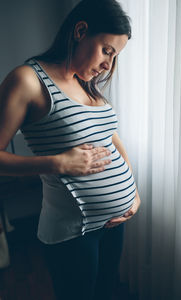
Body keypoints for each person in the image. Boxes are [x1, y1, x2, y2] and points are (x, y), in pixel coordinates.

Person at [0, 0, 141, 299]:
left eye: (114, 57)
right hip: (73, 231)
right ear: (80, 30)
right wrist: (58, 163)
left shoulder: (85, 84)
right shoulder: (28, 80)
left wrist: (134, 192)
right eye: (107, 51)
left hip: (114, 223)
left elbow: (112, 138)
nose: (108, 65)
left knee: (104, 293)